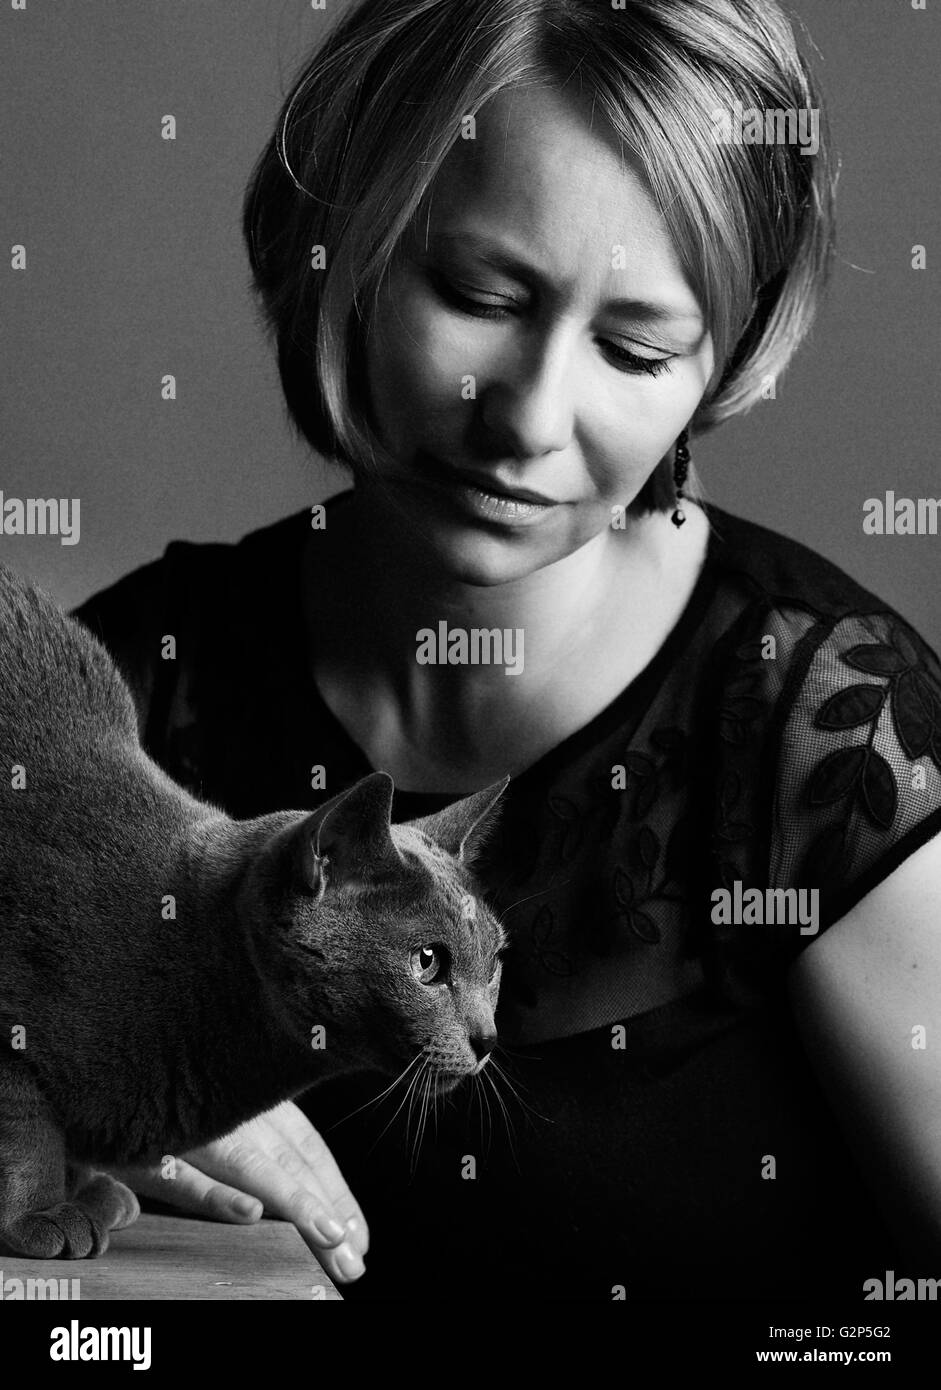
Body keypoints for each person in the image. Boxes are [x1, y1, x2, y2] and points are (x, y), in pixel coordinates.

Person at [71, 0, 941, 1300]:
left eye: (635, 347)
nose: (529, 416)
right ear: (339, 249)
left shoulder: (835, 731)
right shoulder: (132, 687)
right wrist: (85, 1092)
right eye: (478, 294)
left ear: (721, 363)